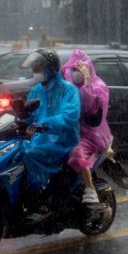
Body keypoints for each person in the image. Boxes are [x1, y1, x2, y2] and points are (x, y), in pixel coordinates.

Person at [19, 48, 81, 216]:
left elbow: (69, 117)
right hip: (41, 139)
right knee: (16, 152)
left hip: (62, 141)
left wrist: (44, 125)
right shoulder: (37, 90)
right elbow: (31, 114)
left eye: (39, 69)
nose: (35, 73)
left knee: (30, 154)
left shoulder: (69, 90)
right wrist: (20, 120)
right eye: (34, 69)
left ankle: (38, 197)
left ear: (52, 69)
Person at [61, 49, 113, 205]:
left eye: (80, 69)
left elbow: (93, 112)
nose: (76, 73)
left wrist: (87, 82)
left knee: (77, 153)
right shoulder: (69, 86)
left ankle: (90, 189)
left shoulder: (99, 87)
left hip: (92, 136)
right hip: (70, 132)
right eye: (74, 69)